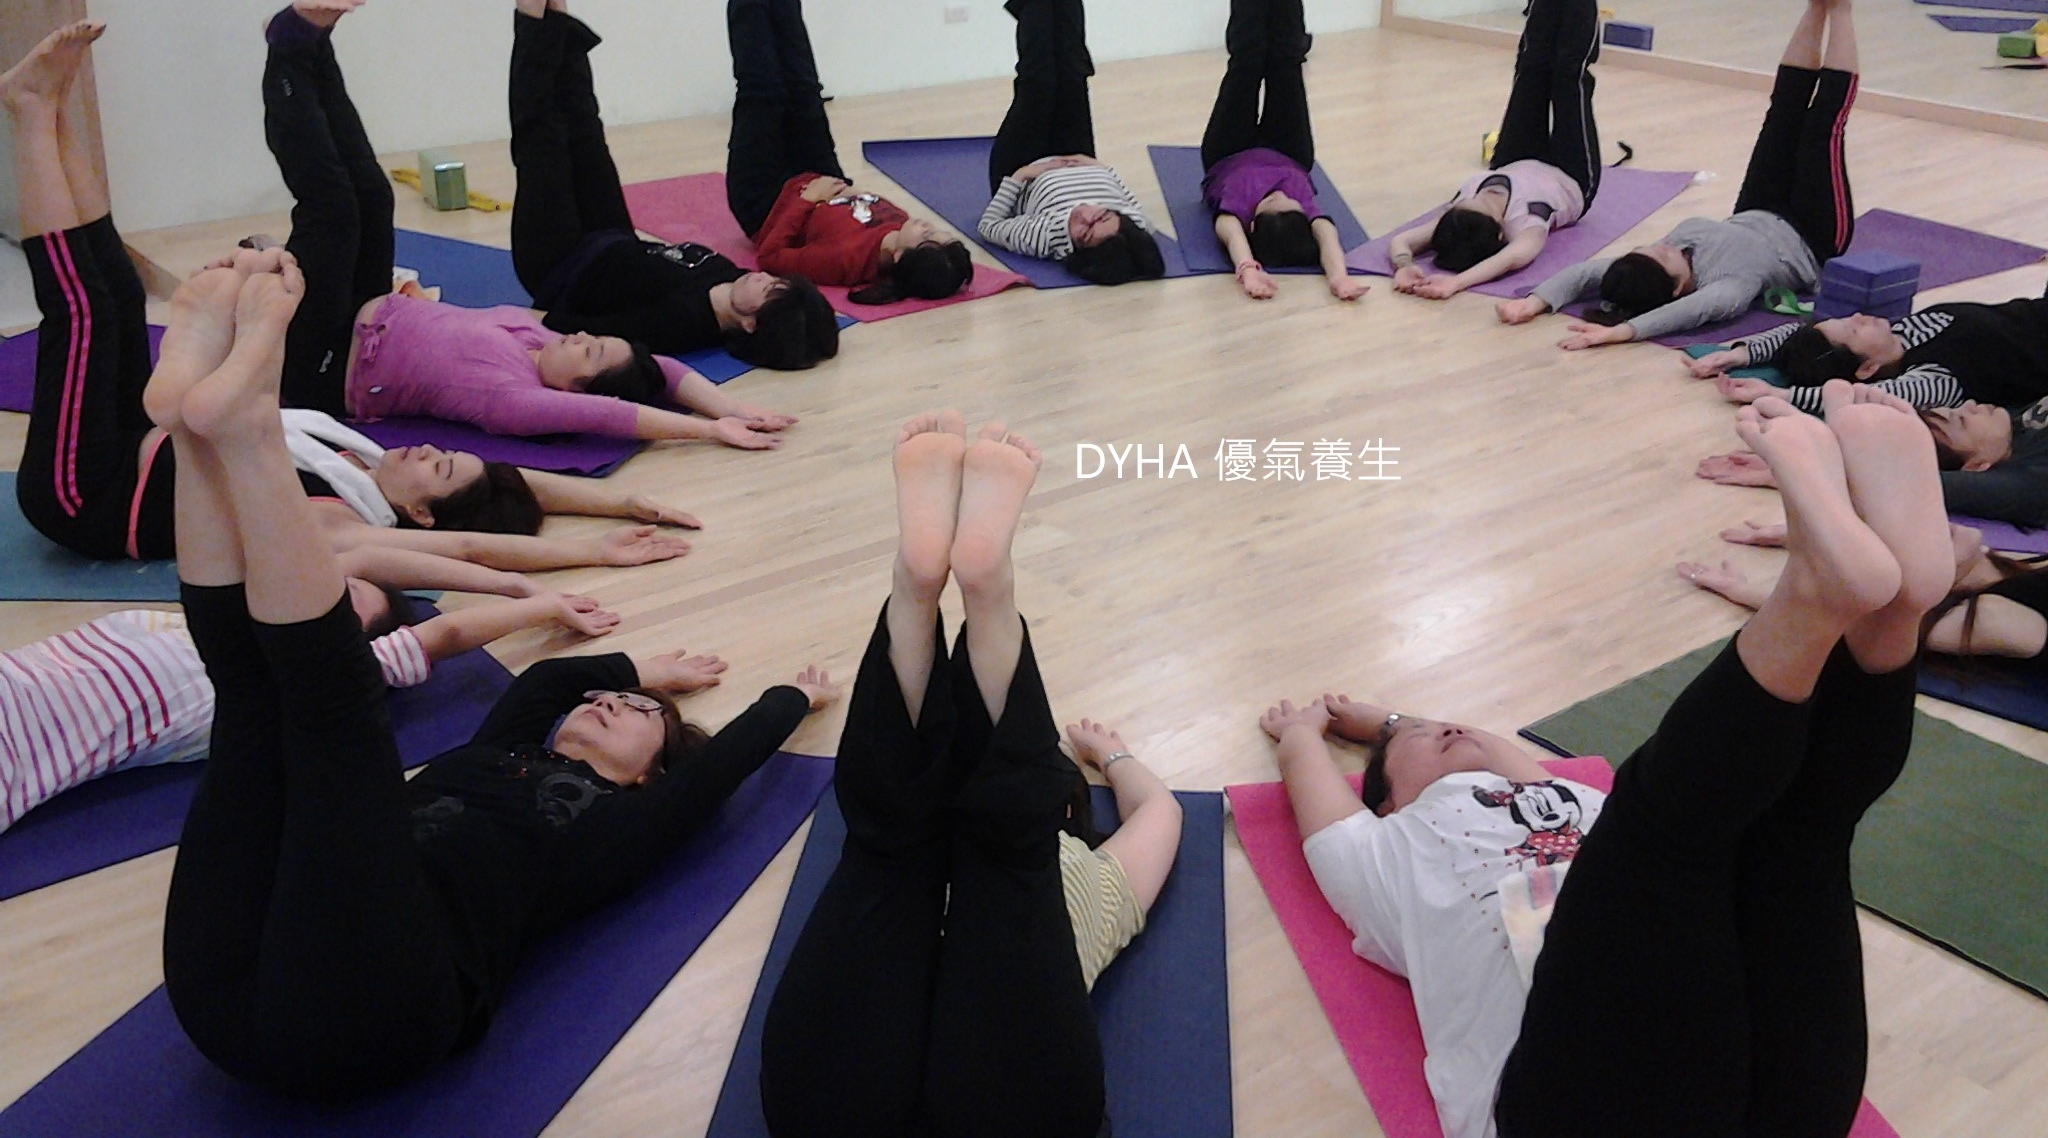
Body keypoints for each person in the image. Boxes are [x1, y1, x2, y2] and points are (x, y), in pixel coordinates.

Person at [147, 252, 838, 1096]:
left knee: (333, 709)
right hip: (235, 985)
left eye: (634, 713)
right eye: (613, 697)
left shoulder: (623, 826)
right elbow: (545, 687)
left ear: (650, 773)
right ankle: (193, 433)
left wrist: (794, 698)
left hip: (373, 1016)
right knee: (250, 695)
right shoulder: (505, 750)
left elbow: (724, 764)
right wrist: (641, 669)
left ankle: (249, 427)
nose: (608, 701)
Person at [1264, 382, 1951, 1138]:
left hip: (1730, 1075)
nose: (1448, 730)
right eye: (1422, 741)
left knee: (1799, 829)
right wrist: (1303, 732)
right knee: (1663, 824)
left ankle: (1890, 617)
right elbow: (1316, 793)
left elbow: (1500, 751)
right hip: (1591, 1107)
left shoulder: (1549, 793)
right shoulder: (1384, 856)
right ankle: (1819, 594)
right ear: (1387, 800)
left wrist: (1395, 723)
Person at [0, 22, 696, 571]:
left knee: (83, 313)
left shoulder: (342, 517)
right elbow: (512, 480)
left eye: (438, 467)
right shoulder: (364, 461)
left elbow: (467, 548)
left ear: (420, 515)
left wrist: (587, 554)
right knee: (119, 295)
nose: (427, 449)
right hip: (143, 439)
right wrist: (621, 502)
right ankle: (53, 113)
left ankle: (28, 113)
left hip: (86, 492)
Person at [760, 411, 1184, 1138]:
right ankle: (984, 589)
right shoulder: (1082, 877)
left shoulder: (1068, 868)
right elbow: (1162, 813)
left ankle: (922, 589)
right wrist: (1112, 757)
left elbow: (1159, 814)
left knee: (890, 845)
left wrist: (1108, 758)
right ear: (1066, 809)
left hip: (849, 1071)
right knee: (983, 852)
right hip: (999, 1101)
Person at [263, 0, 805, 450]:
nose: (583, 335)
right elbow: (661, 369)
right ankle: (314, 55)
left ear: (573, 393)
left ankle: (288, 55)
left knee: (334, 211)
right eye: (594, 339)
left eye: (591, 352)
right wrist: (728, 408)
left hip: (321, 359)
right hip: (366, 306)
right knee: (373, 197)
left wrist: (708, 433)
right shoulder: (541, 335)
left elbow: (614, 416)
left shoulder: (511, 397)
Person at [1, 579, 620, 836]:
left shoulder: (278, 677)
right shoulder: (204, 617)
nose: (314, 589)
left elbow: (444, 634)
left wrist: (545, 605)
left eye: (340, 604)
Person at [506, 0, 841, 363]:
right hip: (610, 237)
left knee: (543, 141)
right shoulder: (733, 278)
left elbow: (605, 329)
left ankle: (529, 11)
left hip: (558, 263)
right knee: (586, 127)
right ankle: (555, 7)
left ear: (752, 325)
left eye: (769, 293)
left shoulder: (683, 324)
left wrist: (534, 323)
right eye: (778, 282)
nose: (764, 279)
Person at [1499, 0, 1860, 347]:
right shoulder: (1727, 288)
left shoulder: (1642, 269)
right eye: (1662, 255)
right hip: (1811, 233)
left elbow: (1582, 274)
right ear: (1676, 289)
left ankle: (1816, 5)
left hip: (1756, 206)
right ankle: (1841, 7)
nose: (1662, 245)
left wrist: (1533, 303)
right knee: (1823, 125)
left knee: (1783, 110)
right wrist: (1620, 333)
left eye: (1649, 247)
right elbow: (1684, 314)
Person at [722, 0, 973, 305]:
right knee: (803, 81)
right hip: (819, 174)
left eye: (929, 239)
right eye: (944, 236)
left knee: (761, 87)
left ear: (899, 257)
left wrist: (807, 200)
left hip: (766, 200)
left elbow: (771, 257)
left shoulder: (846, 262)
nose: (932, 228)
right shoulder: (900, 229)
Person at [1388, 0, 1603, 300]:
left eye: (1475, 200)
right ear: (1502, 231)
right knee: (1568, 73)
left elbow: (1402, 240)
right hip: (1570, 176)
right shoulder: (1526, 223)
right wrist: (1456, 283)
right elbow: (1514, 258)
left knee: (1531, 65)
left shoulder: (1455, 220)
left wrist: (1405, 265)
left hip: (1513, 160)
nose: (1486, 197)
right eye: (1489, 207)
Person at [1198, 0, 1369, 303]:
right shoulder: (1306, 213)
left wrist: (1247, 270)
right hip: (1291, 152)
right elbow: (1327, 236)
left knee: (1248, 57)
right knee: (1288, 57)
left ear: (1252, 224)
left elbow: (1232, 239)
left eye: (1271, 203)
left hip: (1228, 152)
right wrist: (1338, 280)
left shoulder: (1234, 216)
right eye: (1289, 202)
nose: (1281, 195)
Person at [979, 0, 1167, 286]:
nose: (1086, 215)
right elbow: (1131, 204)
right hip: (1079, 156)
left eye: (1084, 232)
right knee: (1073, 72)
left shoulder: (1049, 238)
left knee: (1038, 81)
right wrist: (1099, 167)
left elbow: (990, 225)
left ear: (1076, 248)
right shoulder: (1136, 225)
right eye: (1102, 217)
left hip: (1025, 163)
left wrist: (1022, 176)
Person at [1679, 516, 2048, 669]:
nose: (1932, 526)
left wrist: (1801, 536)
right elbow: (1868, 619)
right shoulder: (1999, 618)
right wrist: (1746, 592)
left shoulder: (2018, 569)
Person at [1702, 390, 2048, 532]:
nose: (1971, 404)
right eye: (1961, 420)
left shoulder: (2010, 427)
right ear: (1976, 467)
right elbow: (1919, 482)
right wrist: (1805, 470)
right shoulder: (2032, 478)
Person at [1692, 293, 2048, 413]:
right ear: (1866, 369)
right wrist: (1781, 395)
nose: (1859, 316)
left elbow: (1795, 334)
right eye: (1853, 330)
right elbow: (1864, 397)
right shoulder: (1936, 378)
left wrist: (1740, 354)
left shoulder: (1900, 333)